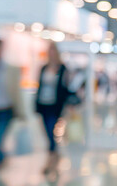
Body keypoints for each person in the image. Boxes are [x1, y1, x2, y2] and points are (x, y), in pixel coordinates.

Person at [36, 42, 72, 173]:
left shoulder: (62, 68)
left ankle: (51, 155)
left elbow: (66, 87)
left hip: (55, 104)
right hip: (43, 103)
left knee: (51, 128)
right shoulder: (44, 68)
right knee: (46, 129)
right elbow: (39, 86)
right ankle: (53, 151)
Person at [0, 39, 20, 166]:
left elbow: (17, 92)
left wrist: (21, 111)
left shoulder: (10, 69)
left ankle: (0, 162)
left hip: (5, 110)